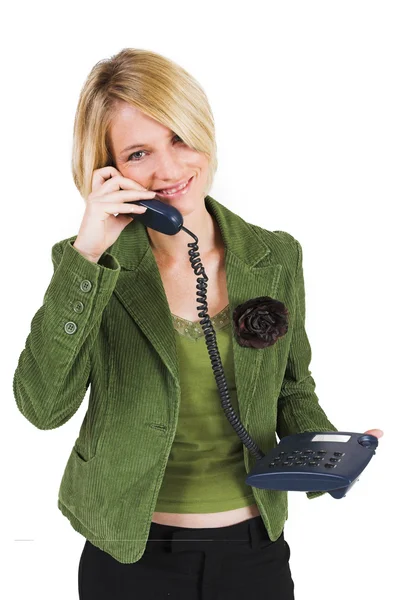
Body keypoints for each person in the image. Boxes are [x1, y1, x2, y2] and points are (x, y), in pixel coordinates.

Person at [13, 47, 383, 600]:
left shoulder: (274, 256)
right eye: (139, 152)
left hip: (254, 550)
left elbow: (291, 386)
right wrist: (89, 253)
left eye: (180, 139)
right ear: (106, 169)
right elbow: (42, 408)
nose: (169, 169)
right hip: (128, 554)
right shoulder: (89, 270)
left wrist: (330, 455)